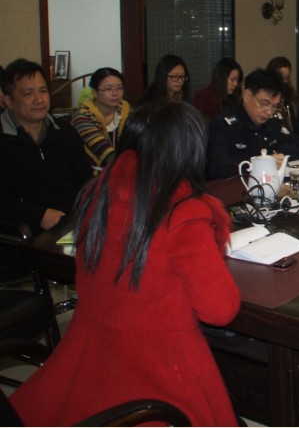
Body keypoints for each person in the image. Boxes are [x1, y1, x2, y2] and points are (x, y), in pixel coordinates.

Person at [10, 101, 241, 426]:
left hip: (88, 357)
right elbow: (220, 311)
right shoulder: (184, 212)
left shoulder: (98, 195)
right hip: (161, 370)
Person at [0, 59, 91, 233]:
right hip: (25, 232)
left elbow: (85, 182)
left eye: (43, 91)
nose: (39, 100)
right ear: (8, 101)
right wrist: (38, 214)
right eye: (28, 93)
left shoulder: (66, 133)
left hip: (70, 224)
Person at [207, 68, 299, 179]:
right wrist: (260, 163)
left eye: (275, 106)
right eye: (264, 104)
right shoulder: (223, 124)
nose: (269, 112)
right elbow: (216, 167)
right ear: (247, 96)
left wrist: (275, 157)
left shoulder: (271, 123)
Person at [71, 67, 132, 173]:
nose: (115, 93)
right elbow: (103, 151)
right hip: (90, 174)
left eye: (119, 88)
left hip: (122, 170)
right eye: (108, 89)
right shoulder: (83, 116)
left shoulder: (127, 110)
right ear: (95, 92)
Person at [194, 57, 243, 122]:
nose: (235, 84)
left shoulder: (237, 98)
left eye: (237, 80)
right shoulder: (202, 98)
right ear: (221, 79)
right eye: (232, 80)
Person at [265, 56, 298, 131]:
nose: (284, 82)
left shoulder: (290, 92)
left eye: (287, 78)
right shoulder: (265, 94)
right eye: (280, 78)